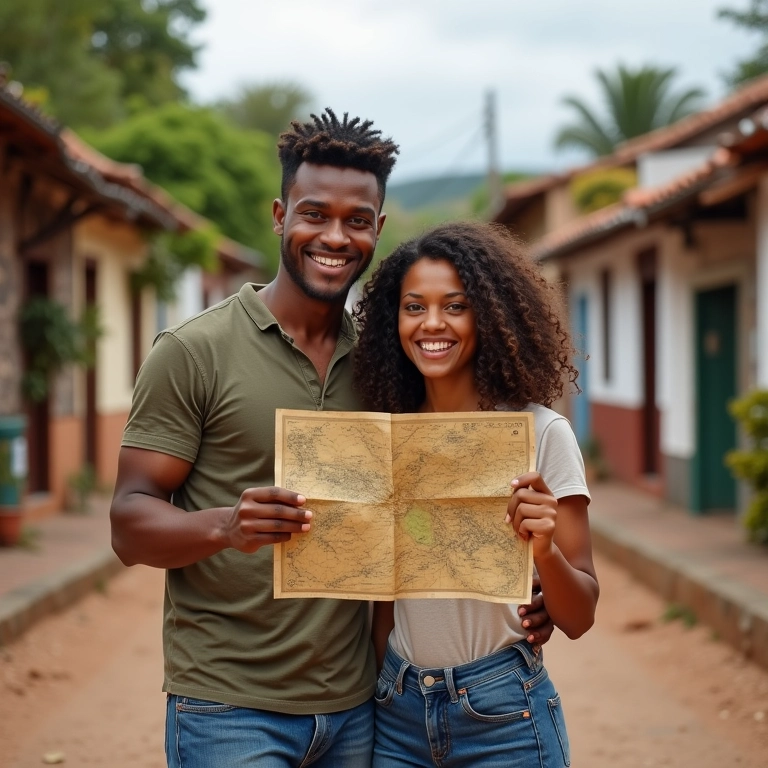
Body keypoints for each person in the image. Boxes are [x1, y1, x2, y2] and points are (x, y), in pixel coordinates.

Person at [109, 110, 555, 768]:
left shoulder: (387, 366)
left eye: (356, 220)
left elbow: (412, 523)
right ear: (279, 214)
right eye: (314, 214)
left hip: (359, 710)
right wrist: (227, 526)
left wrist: (513, 586)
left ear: (377, 227)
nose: (334, 236)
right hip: (229, 705)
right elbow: (128, 522)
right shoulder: (194, 352)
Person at [353, 221, 599, 768]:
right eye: (414, 307)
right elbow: (384, 607)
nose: (432, 324)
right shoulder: (383, 440)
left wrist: (543, 552)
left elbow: (579, 616)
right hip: (398, 713)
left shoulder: (542, 435)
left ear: (489, 314)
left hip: (504, 716)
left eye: (455, 306)